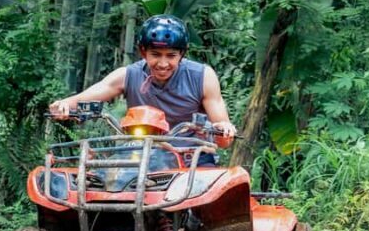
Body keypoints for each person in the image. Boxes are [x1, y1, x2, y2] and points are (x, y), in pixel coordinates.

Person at [48, 15, 236, 143]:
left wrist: (223, 129)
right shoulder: (128, 74)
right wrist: (63, 106)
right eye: (156, 54)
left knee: (210, 192)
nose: (163, 64)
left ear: (182, 54)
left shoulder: (202, 76)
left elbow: (224, 135)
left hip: (191, 156)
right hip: (139, 152)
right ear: (143, 52)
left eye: (171, 56)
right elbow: (83, 98)